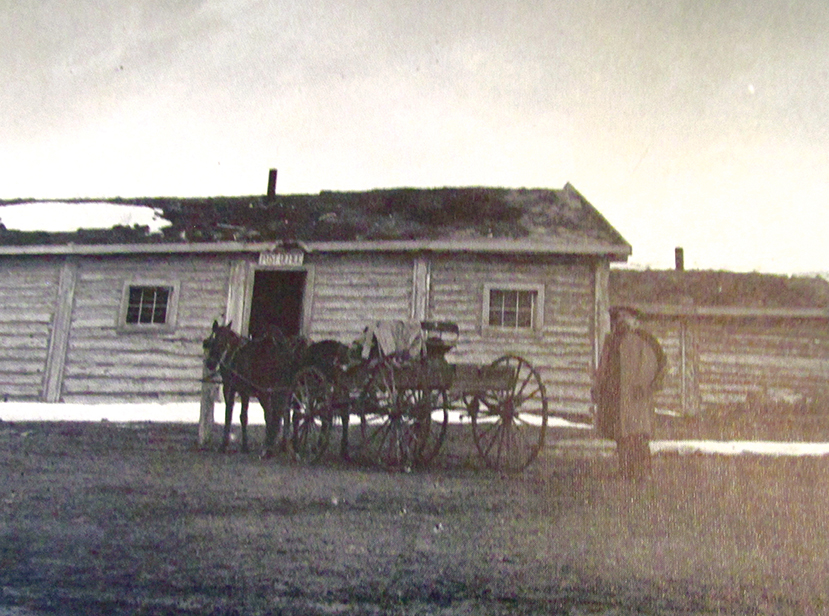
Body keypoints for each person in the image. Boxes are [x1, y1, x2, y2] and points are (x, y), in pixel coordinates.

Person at [593, 307, 666, 481]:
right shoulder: (610, 342)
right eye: (619, 318)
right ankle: (624, 470)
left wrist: (644, 385)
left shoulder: (643, 340)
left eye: (626, 317)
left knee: (638, 434)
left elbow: (656, 363)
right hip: (614, 394)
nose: (622, 322)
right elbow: (603, 366)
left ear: (634, 321)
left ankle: (643, 472)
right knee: (621, 434)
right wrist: (597, 386)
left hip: (635, 394)